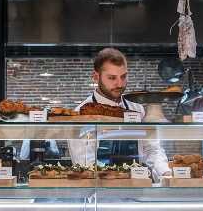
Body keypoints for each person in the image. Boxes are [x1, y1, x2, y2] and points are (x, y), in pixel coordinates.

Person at [69, 48, 171, 179]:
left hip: (137, 186)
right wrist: (117, 177)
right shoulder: (81, 113)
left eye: (123, 76)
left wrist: (164, 172)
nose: (120, 84)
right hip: (101, 187)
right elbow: (84, 163)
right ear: (96, 77)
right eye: (112, 78)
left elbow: (152, 149)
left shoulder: (137, 109)